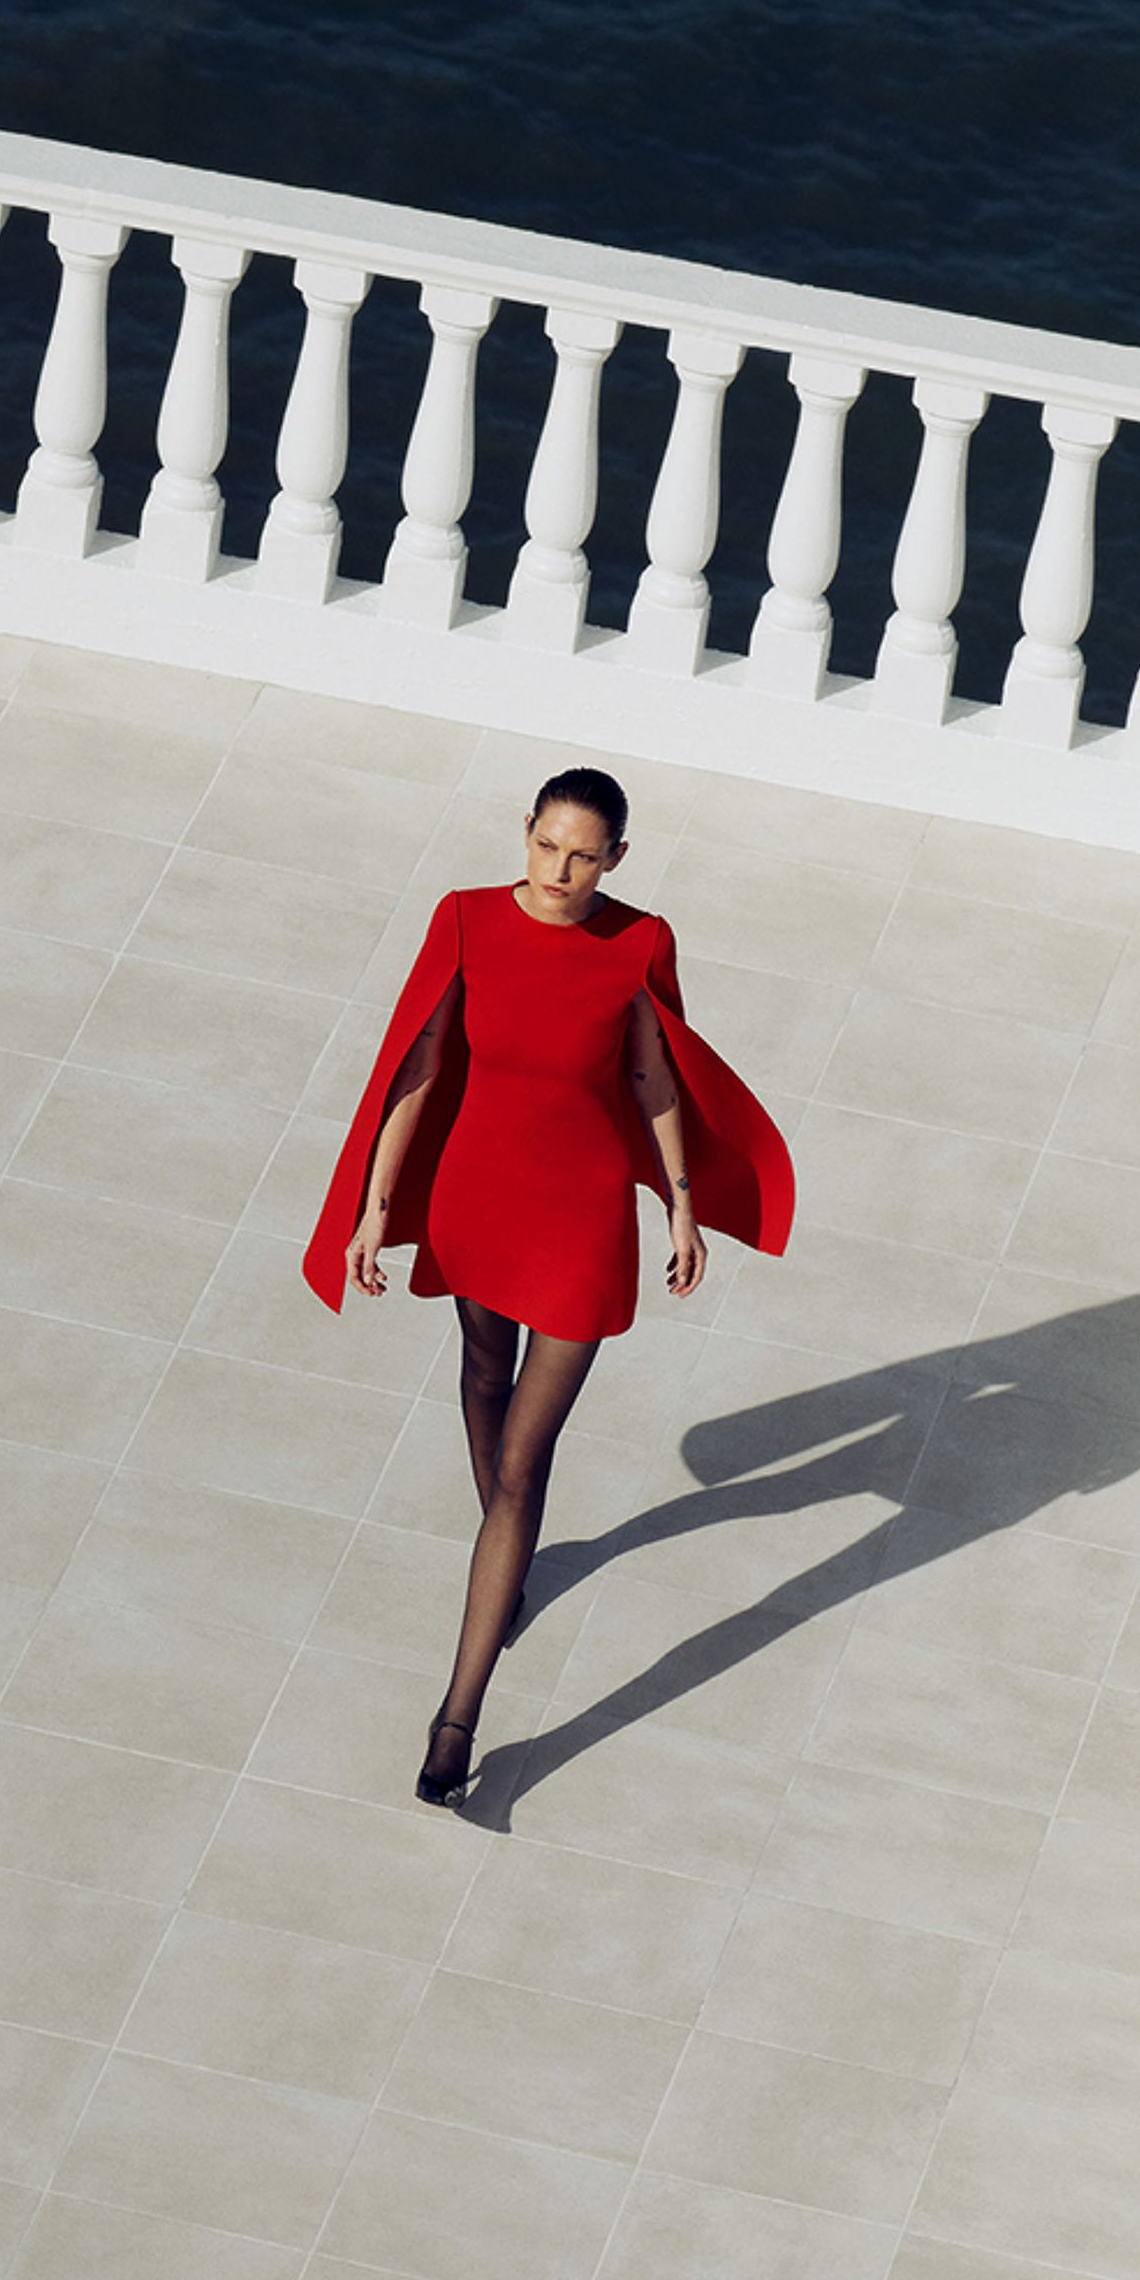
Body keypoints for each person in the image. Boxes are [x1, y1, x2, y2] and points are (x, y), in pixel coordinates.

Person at [302, 767, 795, 1809]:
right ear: (522, 832)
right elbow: (420, 1066)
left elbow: (654, 1074)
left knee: (523, 1464)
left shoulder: (638, 942)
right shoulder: (467, 920)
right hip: (474, 1193)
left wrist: (677, 1200)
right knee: (482, 1367)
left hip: (577, 1220)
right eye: (545, 847)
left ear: (616, 857)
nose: (560, 872)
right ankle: (505, 1558)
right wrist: (375, 1209)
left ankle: (456, 1717)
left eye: (584, 856)